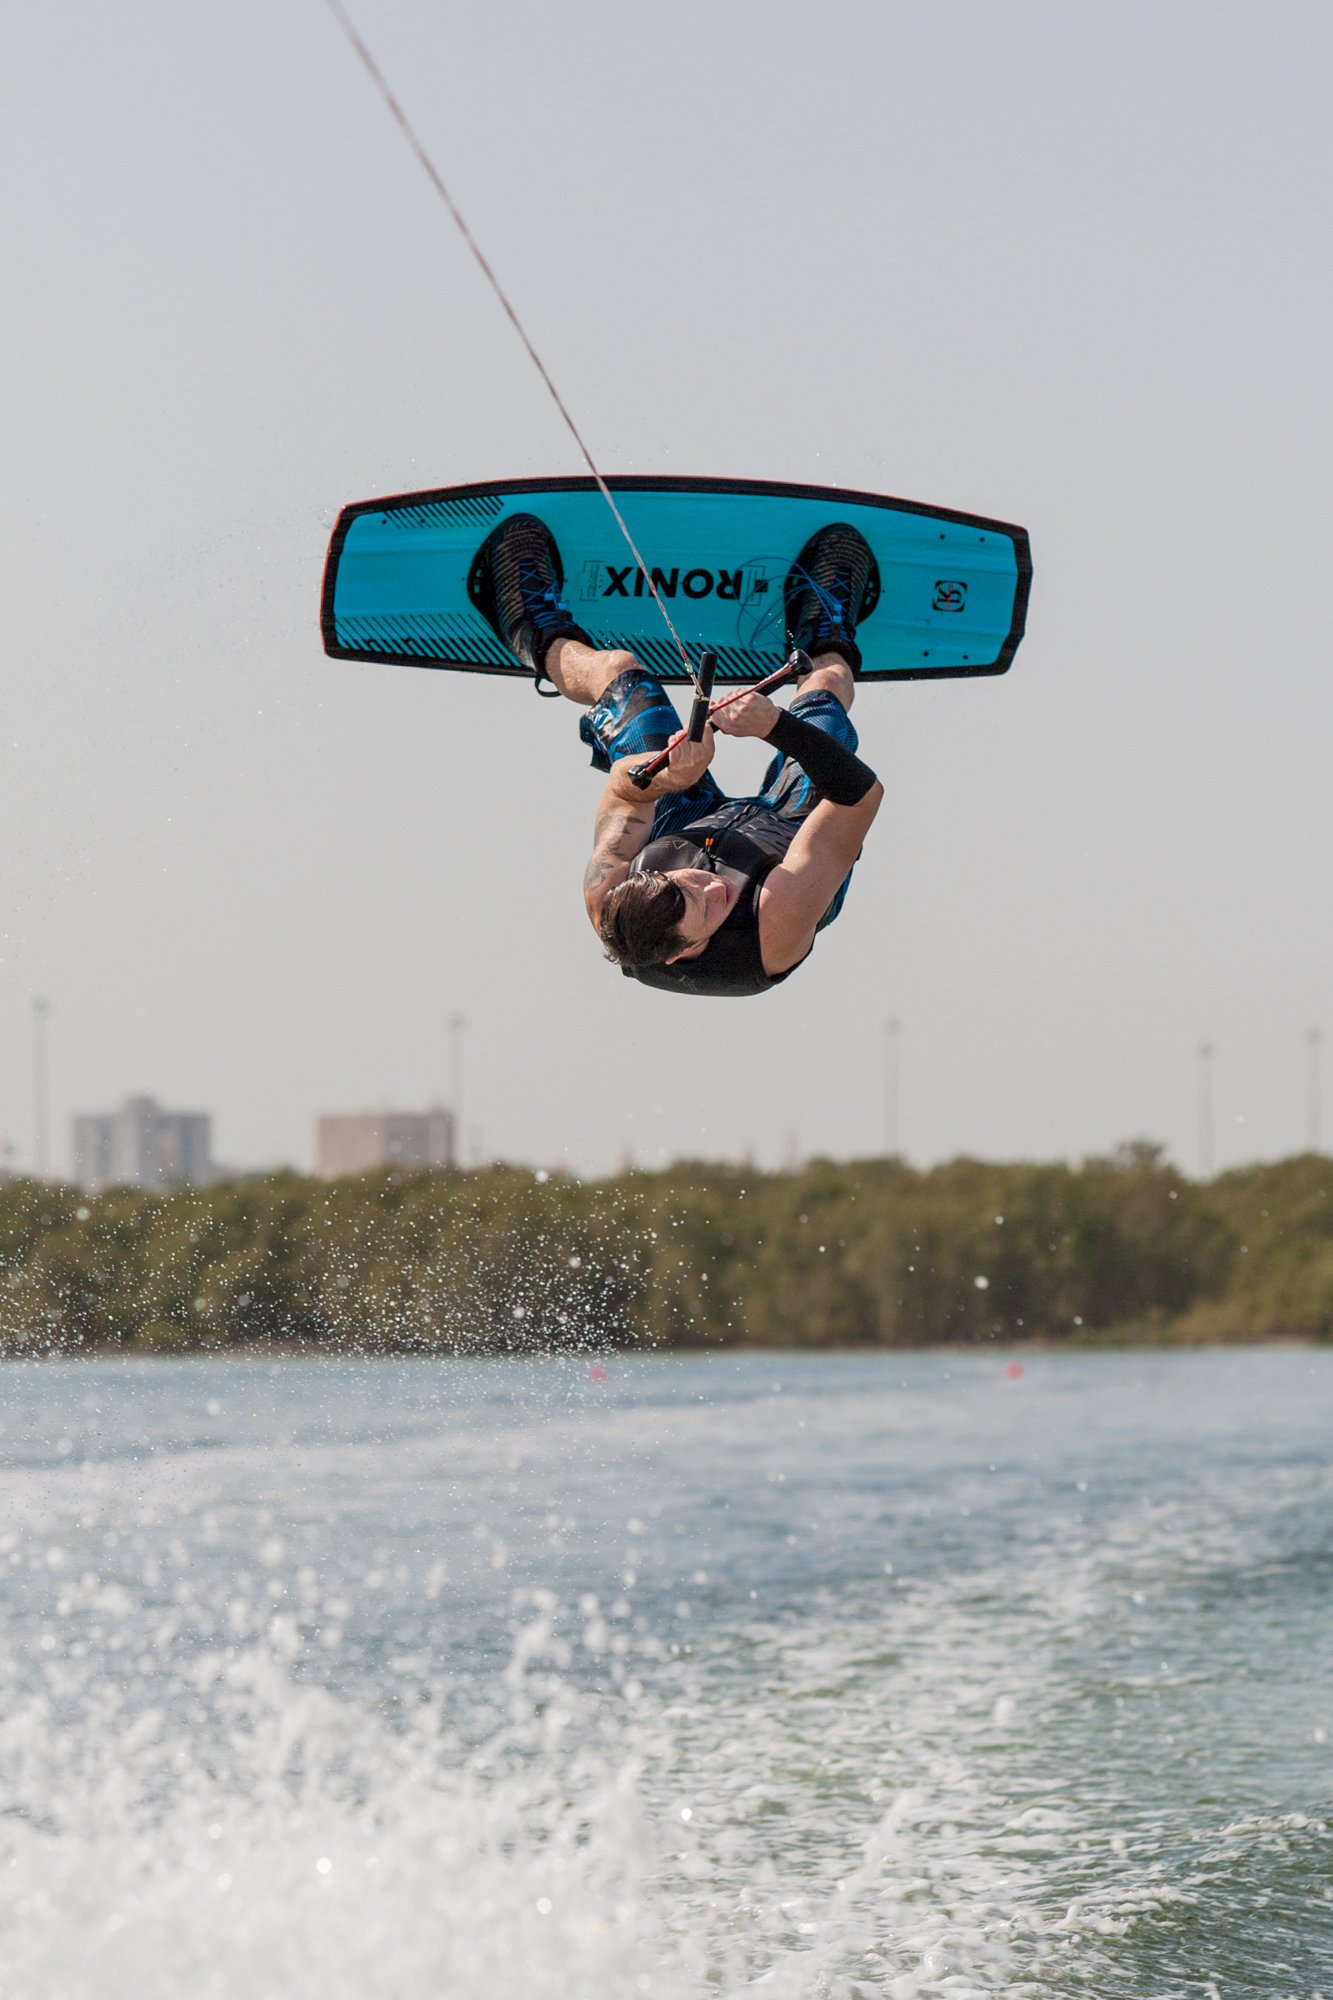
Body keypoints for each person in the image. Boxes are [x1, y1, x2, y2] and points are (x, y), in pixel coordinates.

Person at [468, 514, 885, 996]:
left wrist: (669, 776)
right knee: (826, 691)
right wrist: (773, 724)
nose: (711, 886)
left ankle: (530, 625)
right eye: (706, 907)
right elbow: (860, 796)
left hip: (687, 824)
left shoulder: (609, 893)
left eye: (687, 883)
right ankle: (825, 631)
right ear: (683, 953)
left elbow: (625, 792)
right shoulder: (776, 920)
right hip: (789, 843)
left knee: (620, 672)